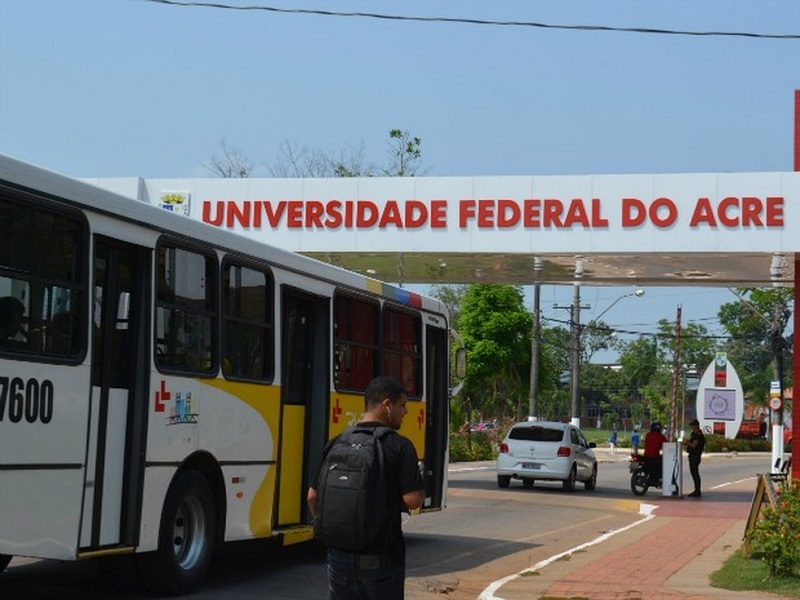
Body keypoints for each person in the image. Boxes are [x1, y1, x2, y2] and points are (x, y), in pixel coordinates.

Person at [307, 376, 425, 600]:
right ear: (386, 405)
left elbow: (312, 497)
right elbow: (413, 500)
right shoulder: (399, 446)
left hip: (338, 559)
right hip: (381, 562)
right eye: (403, 406)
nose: (406, 412)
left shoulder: (337, 441)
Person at [683, 418, 706, 497]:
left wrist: (687, 442)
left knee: (695, 473)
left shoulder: (698, 435)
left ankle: (697, 490)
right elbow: (691, 442)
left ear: (696, 426)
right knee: (694, 473)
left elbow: (693, 445)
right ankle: (696, 489)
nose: (692, 427)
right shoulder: (694, 434)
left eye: (693, 426)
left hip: (695, 456)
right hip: (692, 456)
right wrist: (686, 442)